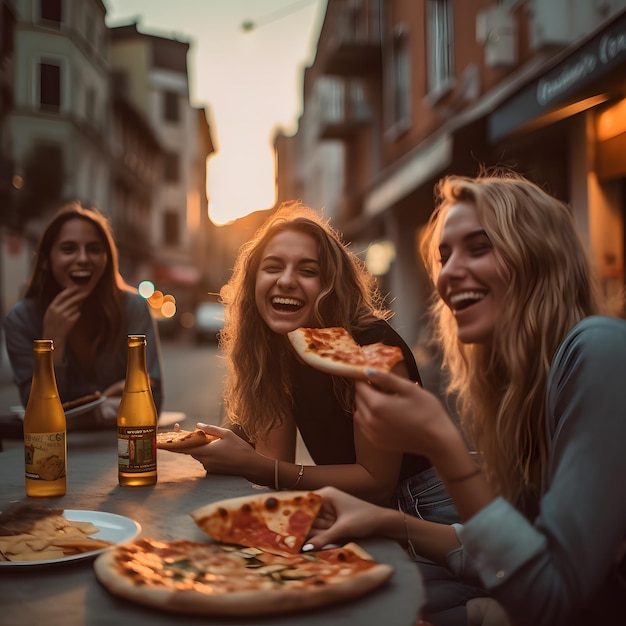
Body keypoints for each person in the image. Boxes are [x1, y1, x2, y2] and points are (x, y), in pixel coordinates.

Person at [301, 172, 626, 626]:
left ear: (540, 257)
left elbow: (554, 598)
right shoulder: (518, 392)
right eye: (444, 256)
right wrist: (382, 521)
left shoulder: (599, 350)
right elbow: (515, 551)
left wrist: (441, 443)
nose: (449, 273)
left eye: (480, 247)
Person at [188, 201, 459, 521]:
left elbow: (377, 483)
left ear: (331, 284)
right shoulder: (278, 348)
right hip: (352, 510)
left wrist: (252, 464)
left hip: (424, 508)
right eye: (273, 267)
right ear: (253, 283)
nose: (286, 280)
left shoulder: (371, 344)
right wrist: (217, 447)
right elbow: (274, 461)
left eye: (307, 270)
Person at [4, 201, 163, 427]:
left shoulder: (133, 307)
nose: (83, 258)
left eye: (94, 249)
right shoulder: (20, 319)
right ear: (46, 261)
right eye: (68, 249)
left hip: (122, 446)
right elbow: (37, 414)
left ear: (107, 260)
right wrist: (53, 344)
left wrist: (137, 394)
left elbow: (154, 399)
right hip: (56, 451)